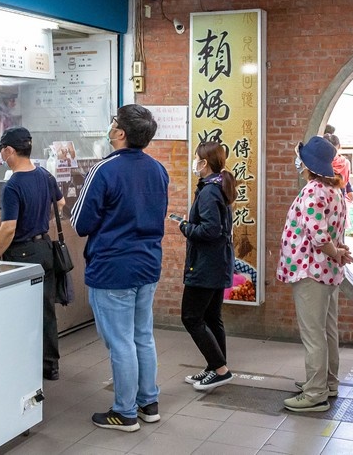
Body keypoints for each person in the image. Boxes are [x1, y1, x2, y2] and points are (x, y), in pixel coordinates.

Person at [72, 105, 169, 431]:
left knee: (120, 341)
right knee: (142, 335)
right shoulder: (159, 170)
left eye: (113, 122)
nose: (110, 126)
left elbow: (81, 223)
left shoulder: (104, 170)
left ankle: (125, 411)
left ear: (120, 133)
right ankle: (148, 402)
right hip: (148, 263)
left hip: (112, 267)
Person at [277, 136, 352, 413]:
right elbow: (334, 232)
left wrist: (334, 251)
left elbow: (318, 236)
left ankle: (315, 393)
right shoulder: (336, 191)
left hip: (310, 270)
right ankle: (327, 382)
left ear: (309, 164)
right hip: (329, 272)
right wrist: (339, 254)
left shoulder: (313, 191)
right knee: (327, 330)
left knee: (313, 334)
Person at [0, 127, 65, 381]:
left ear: (10, 150)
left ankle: (22, 360)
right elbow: (61, 203)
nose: (1, 155)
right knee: (45, 309)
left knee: (20, 310)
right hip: (44, 248)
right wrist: (41, 222)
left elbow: (8, 228)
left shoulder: (13, 185)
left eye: (1, 150)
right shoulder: (45, 175)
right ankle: (50, 365)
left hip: (21, 254)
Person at [175, 140, 236, 391]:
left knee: (191, 317)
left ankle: (220, 368)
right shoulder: (215, 186)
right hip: (216, 263)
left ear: (206, 162)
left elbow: (210, 230)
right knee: (212, 317)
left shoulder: (210, 191)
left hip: (206, 266)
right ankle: (215, 367)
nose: (195, 162)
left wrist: (185, 227)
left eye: (198, 158)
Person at [324, 133, 353, 204]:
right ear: (339, 146)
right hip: (340, 199)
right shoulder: (345, 163)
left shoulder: (320, 163)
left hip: (323, 198)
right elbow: (345, 182)